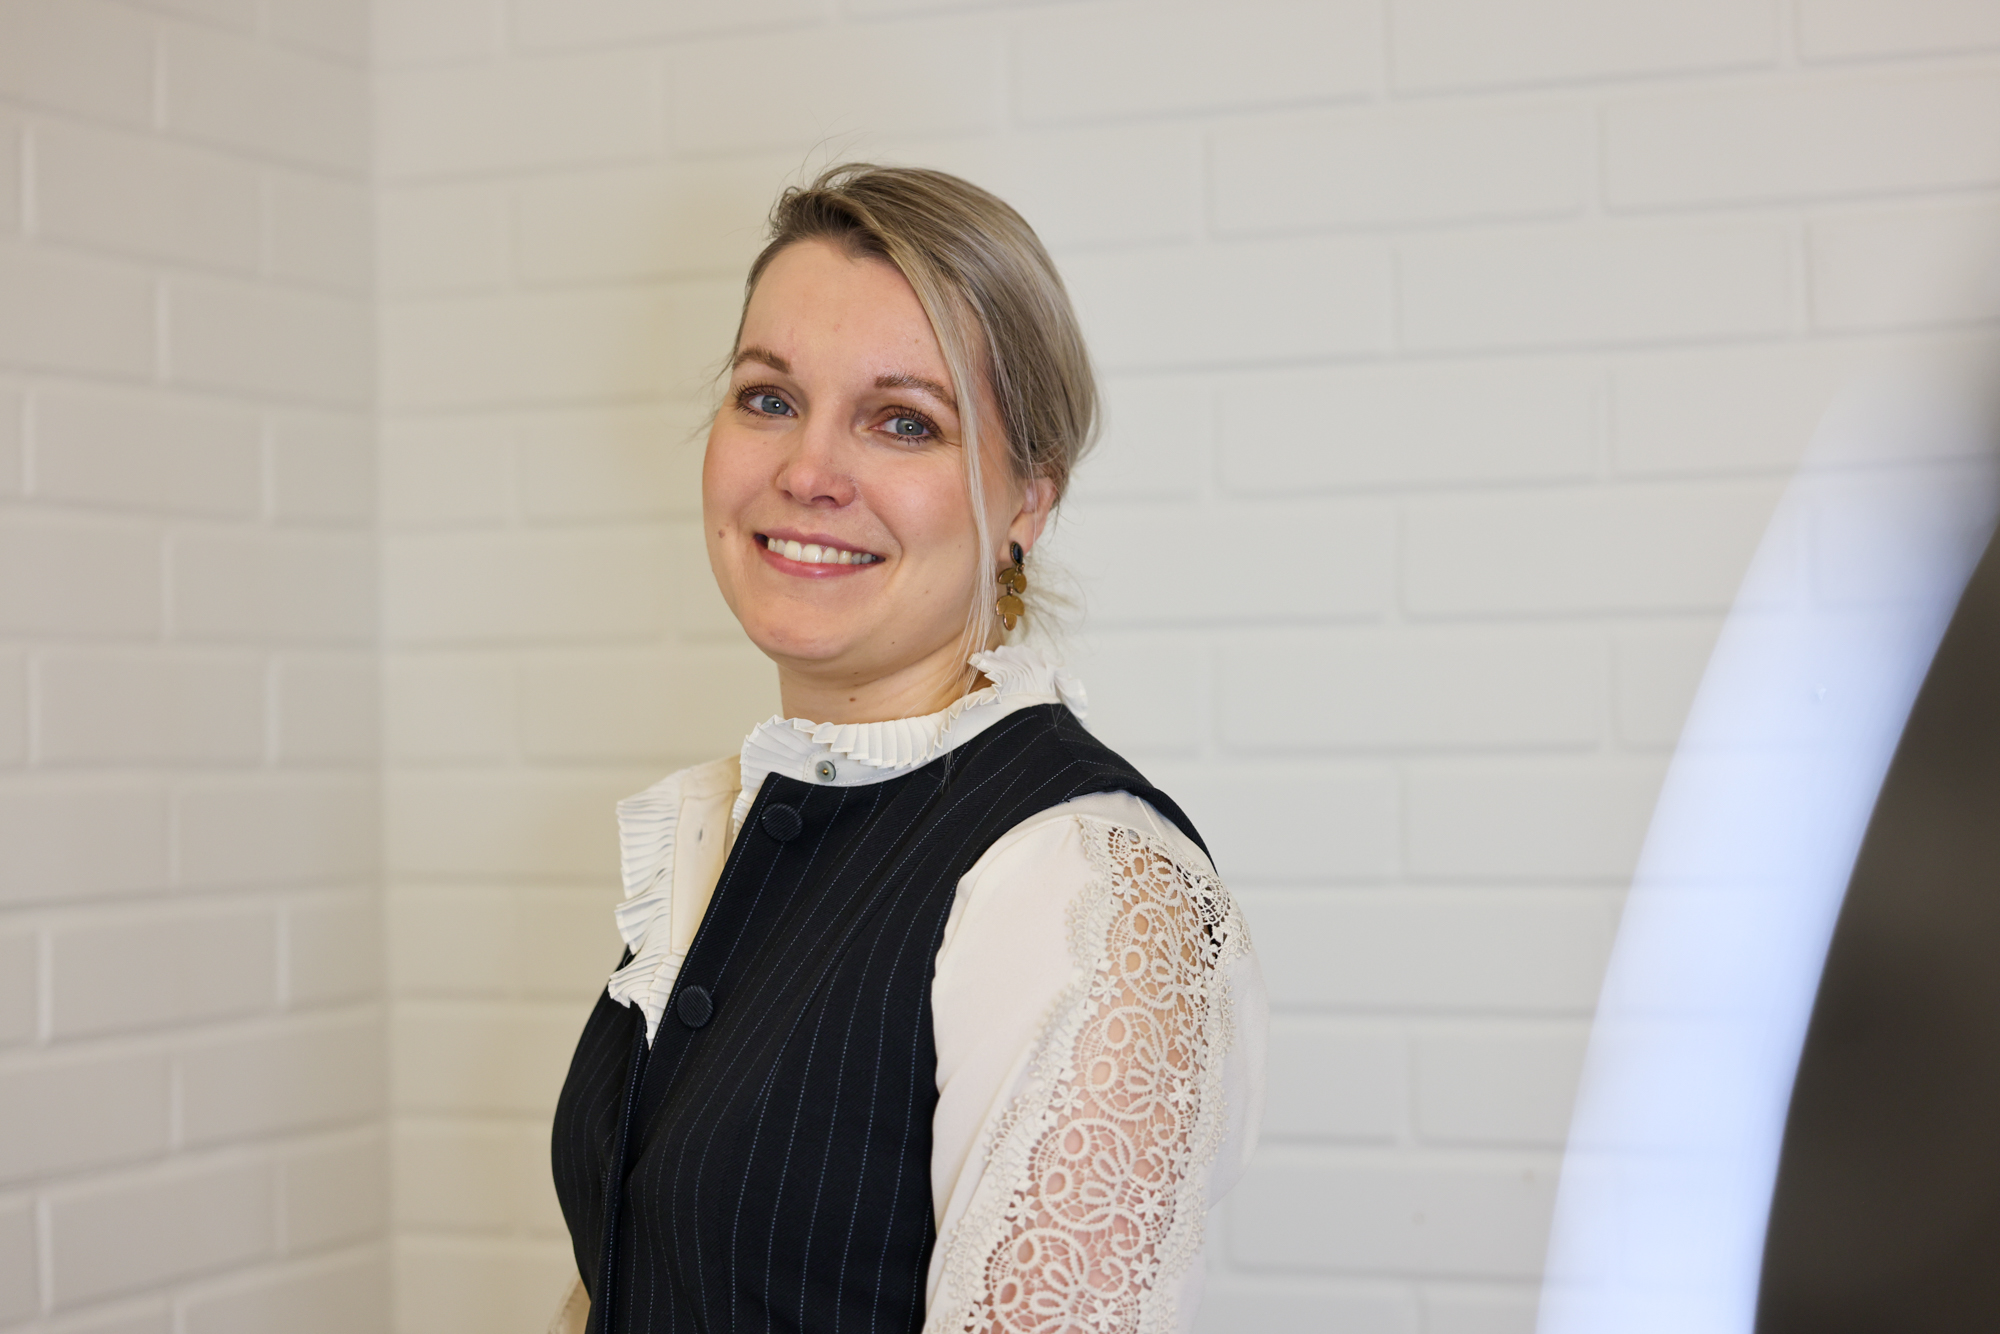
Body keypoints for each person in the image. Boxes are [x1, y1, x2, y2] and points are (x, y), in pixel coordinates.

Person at [549, 163, 1267, 1334]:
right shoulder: (741, 821)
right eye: (768, 398)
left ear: (1027, 500)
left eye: (902, 421)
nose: (806, 472)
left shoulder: (1084, 890)